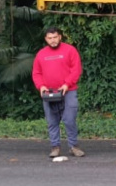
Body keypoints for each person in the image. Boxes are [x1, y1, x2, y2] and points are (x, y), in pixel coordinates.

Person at [32, 26, 84, 157]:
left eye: (55, 37)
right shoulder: (41, 54)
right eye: (50, 38)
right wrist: (41, 86)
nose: (53, 40)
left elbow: (76, 69)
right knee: (52, 121)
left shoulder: (70, 50)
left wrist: (67, 84)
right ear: (46, 39)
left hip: (68, 91)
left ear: (60, 37)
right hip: (49, 92)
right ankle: (55, 147)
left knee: (69, 119)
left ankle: (74, 146)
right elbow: (36, 73)